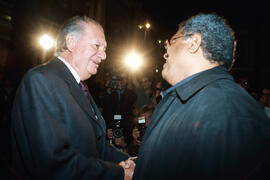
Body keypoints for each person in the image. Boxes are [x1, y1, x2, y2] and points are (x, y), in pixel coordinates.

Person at [133, 13, 270, 179]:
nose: (166, 53)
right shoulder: (182, 97)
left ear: (194, 43)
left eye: (172, 42)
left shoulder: (231, 111)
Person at [11, 16, 135, 180]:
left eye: (104, 49)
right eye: (97, 46)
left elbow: (97, 147)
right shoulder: (41, 80)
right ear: (71, 42)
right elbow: (53, 164)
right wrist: (119, 173)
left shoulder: (79, 87)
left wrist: (130, 161)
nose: (104, 55)